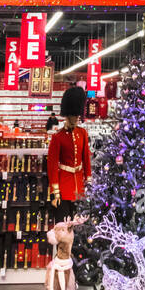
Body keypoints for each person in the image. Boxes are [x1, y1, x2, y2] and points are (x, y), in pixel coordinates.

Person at [47, 85, 91, 220]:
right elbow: (52, 165)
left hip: (80, 185)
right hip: (64, 185)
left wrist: (88, 180)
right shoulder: (58, 137)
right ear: (68, 116)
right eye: (75, 115)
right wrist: (55, 190)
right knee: (63, 226)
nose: (78, 118)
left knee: (80, 225)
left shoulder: (82, 133)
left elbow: (86, 159)